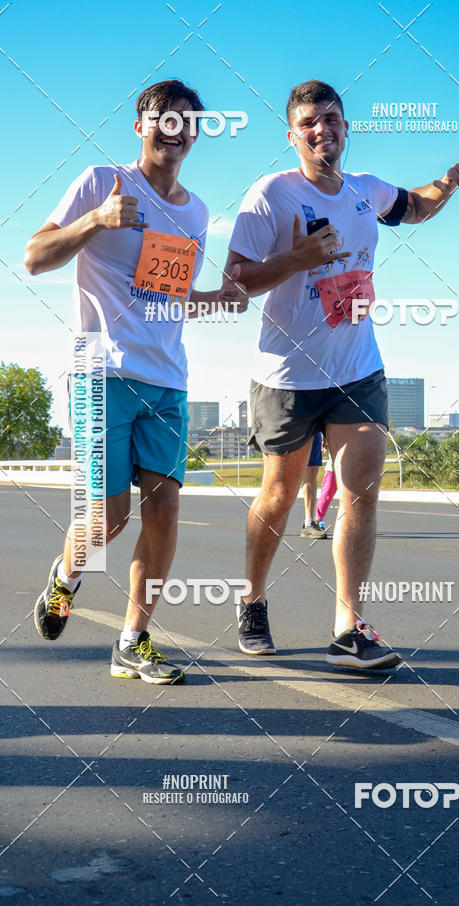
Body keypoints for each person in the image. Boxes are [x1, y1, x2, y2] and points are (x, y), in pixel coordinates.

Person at [226, 79, 459, 668]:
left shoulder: (366, 190)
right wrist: (297, 259)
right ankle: (253, 600)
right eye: (310, 122)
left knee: (360, 494)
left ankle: (348, 627)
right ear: (292, 135)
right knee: (279, 495)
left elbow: (414, 206)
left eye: (333, 118)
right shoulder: (270, 195)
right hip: (287, 374)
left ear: (348, 127)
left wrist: (448, 180)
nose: (323, 129)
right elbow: (237, 281)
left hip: (358, 369)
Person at [24, 79, 247, 684]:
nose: (172, 131)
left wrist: (216, 299)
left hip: (167, 378)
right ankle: (65, 577)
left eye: (185, 122)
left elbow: (165, 296)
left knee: (166, 510)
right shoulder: (101, 182)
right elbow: (34, 257)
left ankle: (133, 640)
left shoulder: (197, 212)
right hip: (102, 372)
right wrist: (96, 220)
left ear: (197, 134)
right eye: (160, 119)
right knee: (108, 517)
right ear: (139, 126)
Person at [300, 432, 327, 539]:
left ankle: (308, 523)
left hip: (312, 428)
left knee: (311, 472)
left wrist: (324, 433)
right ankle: (267, 521)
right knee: (281, 479)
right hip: (288, 426)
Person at [316, 438, 337, 530]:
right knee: (326, 494)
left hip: (351, 468)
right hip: (333, 468)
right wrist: (325, 439)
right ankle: (318, 519)